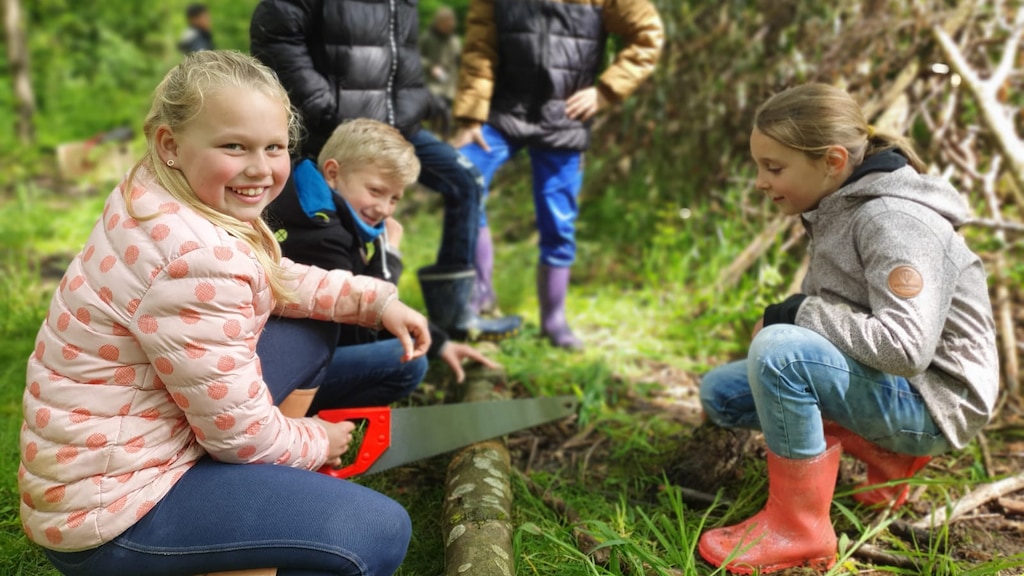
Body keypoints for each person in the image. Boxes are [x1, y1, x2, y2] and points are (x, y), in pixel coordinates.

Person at [20, 50, 430, 576]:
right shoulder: (197, 258)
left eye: (274, 147)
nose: (259, 169)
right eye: (234, 146)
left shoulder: (167, 192)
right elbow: (244, 436)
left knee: (310, 333)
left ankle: (258, 517)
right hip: (114, 513)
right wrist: (315, 443)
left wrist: (376, 301)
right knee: (376, 533)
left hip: (119, 455)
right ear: (170, 144)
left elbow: (276, 279)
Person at [696, 83, 999, 574]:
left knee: (780, 350)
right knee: (722, 394)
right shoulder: (837, 203)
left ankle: (800, 529)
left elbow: (905, 348)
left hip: (934, 401)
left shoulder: (893, 218)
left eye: (773, 167)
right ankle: (883, 456)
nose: (760, 181)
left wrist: (793, 315)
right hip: (892, 383)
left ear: (833, 160)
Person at [250, 0, 521, 342]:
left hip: (399, 124)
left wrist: (418, 104)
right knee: (353, 225)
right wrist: (324, 104)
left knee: (464, 178)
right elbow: (276, 35)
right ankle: (357, 322)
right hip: (334, 123)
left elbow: (403, 58)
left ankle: (454, 315)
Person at [452, 0, 664, 349]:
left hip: (564, 116)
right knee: (462, 178)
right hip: (503, 112)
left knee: (558, 220)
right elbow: (479, 47)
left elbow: (647, 34)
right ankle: (480, 298)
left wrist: (605, 90)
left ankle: (554, 321)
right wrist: (471, 116)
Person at [266, 118, 500, 412]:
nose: (384, 209)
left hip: (280, 354)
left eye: (394, 198)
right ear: (333, 173)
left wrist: (441, 343)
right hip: (281, 371)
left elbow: (367, 292)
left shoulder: (308, 191)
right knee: (407, 365)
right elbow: (363, 328)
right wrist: (389, 255)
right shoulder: (323, 233)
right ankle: (302, 419)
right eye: (376, 191)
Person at [419, 6, 462, 139]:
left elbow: (459, 61)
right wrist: (430, 66)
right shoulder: (427, 37)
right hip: (433, 85)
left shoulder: (454, 40)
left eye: (450, 23)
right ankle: (433, 137)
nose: (448, 26)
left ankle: (444, 139)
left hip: (450, 86)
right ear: (438, 22)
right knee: (437, 110)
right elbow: (415, 56)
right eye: (445, 23)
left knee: (447, 115)